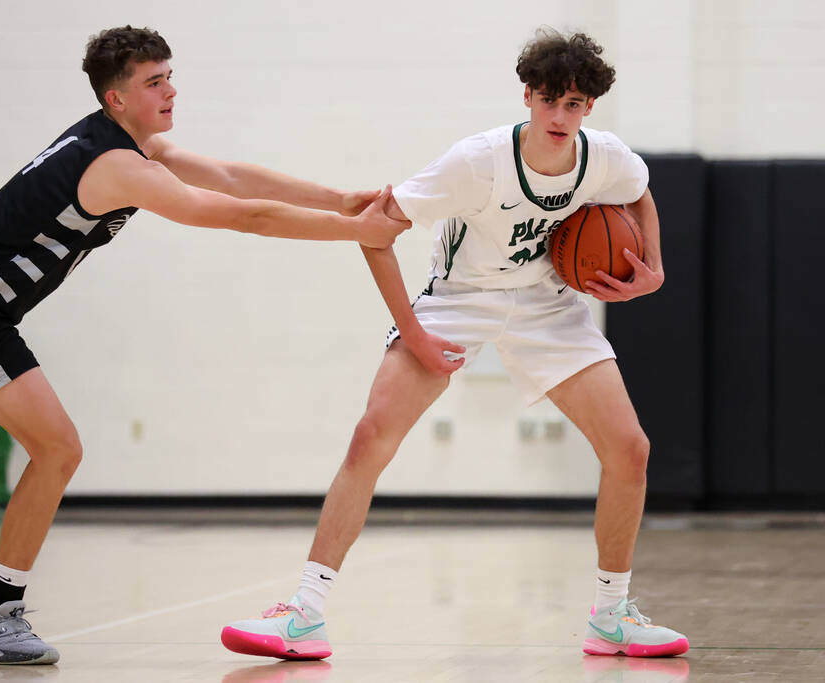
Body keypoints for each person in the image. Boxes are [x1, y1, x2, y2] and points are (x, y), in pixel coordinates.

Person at [0, 25, 409, 665]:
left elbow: (230, 175)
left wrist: (339, 199)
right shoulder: (115, 165)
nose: (171, 90)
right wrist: (351, 230)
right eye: (154, 82)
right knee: (58, 449)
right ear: (116, 99)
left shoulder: (131, 145)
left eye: (169, 76)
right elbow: (242, 215)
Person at [222, 29, 689, 660]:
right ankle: (303, 613)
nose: (559, 115)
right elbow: (373, 233)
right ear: (528, 94)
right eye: (549, 99)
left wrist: (653, 268)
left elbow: (638, 193)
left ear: (589, 108)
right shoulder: (475, 162)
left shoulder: (605, 157)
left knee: (630, 450)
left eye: (574, 104)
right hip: (459, 301)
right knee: (371, 436)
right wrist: (412, 333)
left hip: (548, 306)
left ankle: (611, 617)